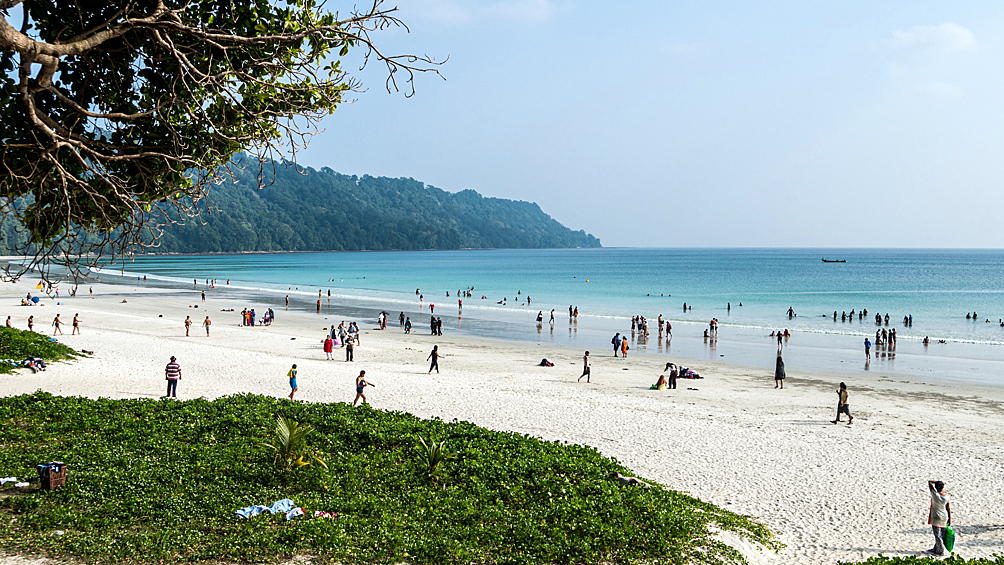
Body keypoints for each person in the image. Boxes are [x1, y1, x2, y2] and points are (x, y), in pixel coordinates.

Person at [927, 480, 952, 556]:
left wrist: (936, 482)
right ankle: (936, 548)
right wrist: (950, 519)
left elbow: (929, 482)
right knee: (942, 534)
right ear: (943, 487)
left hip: (936, 517)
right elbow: (948, 508)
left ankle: (940, 551)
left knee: (937, 535)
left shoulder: (935, 495)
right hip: (944, 516)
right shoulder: (947, 497)